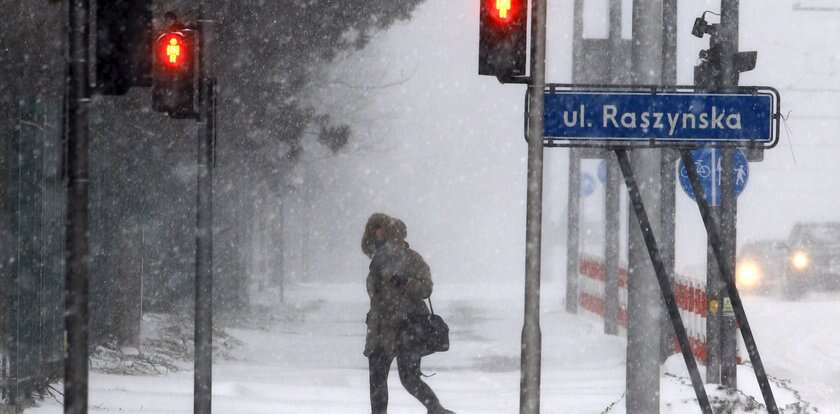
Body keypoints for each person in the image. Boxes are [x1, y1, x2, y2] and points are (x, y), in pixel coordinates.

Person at [361, 213, 454, 414]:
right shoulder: (376, 262)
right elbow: (376, 296)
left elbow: (426, 288)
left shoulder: (412, 259)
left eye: (381, 229)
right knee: (377, 378)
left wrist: (406, 283)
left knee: (408, 377)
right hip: (380, 328)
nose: (377, 233)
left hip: (408, 327)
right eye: (374, 229)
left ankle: (436, 410)